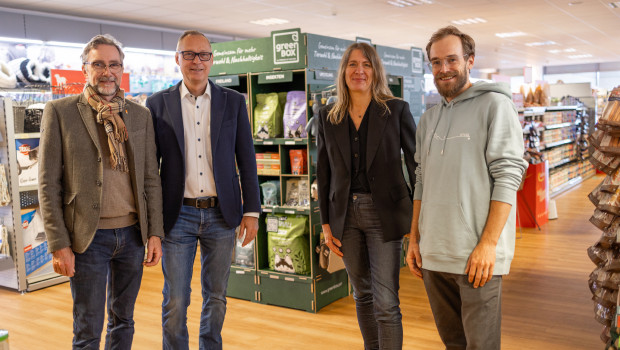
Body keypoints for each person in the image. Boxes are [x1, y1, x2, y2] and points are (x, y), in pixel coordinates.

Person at [38, 34, 164, 349]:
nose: (106, 71)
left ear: (122, 69)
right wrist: (58, 244)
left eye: (113, 64)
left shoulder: (139, 115)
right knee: (87, 328)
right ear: (85, 69)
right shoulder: (60, 111)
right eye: (98, 64)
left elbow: (151, 178)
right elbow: (48, 183)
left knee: (124, 320)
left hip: (133, 236)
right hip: (86, 238)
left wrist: (155, 233)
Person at [406, 26, 528, 350]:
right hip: (434, 255)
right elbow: (421, 179)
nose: (443, 69)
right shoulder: (429, 119)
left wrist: (489, 245)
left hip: (477, 258)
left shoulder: (495, 106)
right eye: (435, 62)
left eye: (451, 60)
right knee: (453, 344)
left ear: (469, 61)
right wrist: (415, 238)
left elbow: (508, 176)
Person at [145, 30, 260, 350]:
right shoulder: (157, 104)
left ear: (212, 59)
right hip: (176, 215)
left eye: (203, 55)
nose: (197, 61)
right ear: (177, 59)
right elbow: (149, 170)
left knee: (217, 296)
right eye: (189, 55)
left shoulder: (233, 102)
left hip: (223, 216)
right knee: (176, 300)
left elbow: (246, 159)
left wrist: (251, 211)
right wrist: (152, 224)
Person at [317, 42, 417, 350]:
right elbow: (323, 173)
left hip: (383, 214)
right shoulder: (327, 116)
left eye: (366, 65)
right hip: (344, 217)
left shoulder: (395, 110)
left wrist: (418, 222)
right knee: (361, 294)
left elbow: (416, 166)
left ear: (375, 71)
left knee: (386, 301)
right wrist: (325, 224)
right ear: (343, 71)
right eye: (352, 64)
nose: (359, 71)